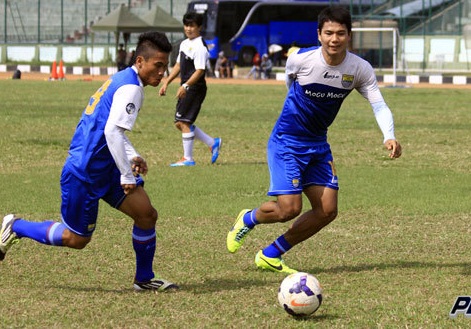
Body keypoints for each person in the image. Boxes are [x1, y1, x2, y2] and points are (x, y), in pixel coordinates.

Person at [226, 6, 402, 274]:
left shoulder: (359, 69)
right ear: (319, 34)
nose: (334, 39)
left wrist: (389, 136)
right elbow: (289, 85)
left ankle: (271, 254)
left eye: (341, 33)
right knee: (289, 209)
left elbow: (379, 105)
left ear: (349, 36)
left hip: (318, 144)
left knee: (327, 211)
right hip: (286, 141)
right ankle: (248, 218)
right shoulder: (301, 60)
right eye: (329, 33)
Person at [0, 31, 180, 291]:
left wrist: (131, 156)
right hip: (84, 172)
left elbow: (109, 129)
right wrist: (127, 175)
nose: (163, 72)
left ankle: (144, 279)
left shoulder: (123, 80)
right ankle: (16, 226)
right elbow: (112, 132)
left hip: (104, 167)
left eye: (165, 65)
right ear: (140, 61)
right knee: (77, 239)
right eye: (158, 65)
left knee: (146, 214)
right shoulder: (130, 88)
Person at [159, 11, 221, 167]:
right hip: (187, 86)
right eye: (186, 25)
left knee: (183, 122)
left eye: (192, 26)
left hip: (195, 87)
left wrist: (186, 85)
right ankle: (212, 142)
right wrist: (167, 81)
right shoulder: (185, 44)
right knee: (181, 122)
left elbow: (200, 71)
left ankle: (188, 159)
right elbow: (179, 65)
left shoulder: (200, 47)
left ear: (199, 27)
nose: (188, 28)